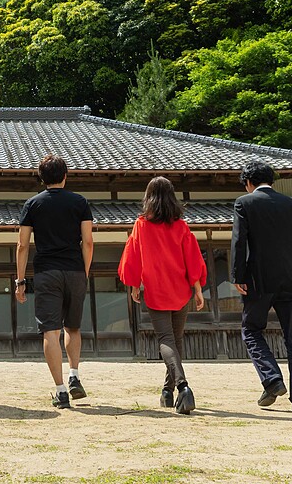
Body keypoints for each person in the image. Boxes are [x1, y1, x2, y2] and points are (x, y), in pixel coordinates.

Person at [118, 176, 207, 415]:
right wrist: (198, 289)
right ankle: (167, 392)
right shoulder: (181, 226)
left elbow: (132, 256)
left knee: (167, 340)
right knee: (175, 341)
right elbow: (193, 259)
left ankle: (183, 387)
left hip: (156, 290)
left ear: (148, 198)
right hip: (181, 290)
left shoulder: (141, 225)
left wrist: (134, 285)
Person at [233, 161, 292, 413]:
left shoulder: (244, 203)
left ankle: (272, 379)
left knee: (251, 329)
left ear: (248, 182)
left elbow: (239, 242)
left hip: (259, 279)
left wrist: (238, 276)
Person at [15, 153, 95, 409]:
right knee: (73, 327)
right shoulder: (80, 202)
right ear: (65, 175)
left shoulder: (33, 204)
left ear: (42, 178)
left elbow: (22, 245)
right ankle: (74, 375)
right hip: (74, 270)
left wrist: (20, 280)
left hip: (47, 272)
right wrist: (84, 271)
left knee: (50, 331)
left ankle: (61, 391)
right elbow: (89, 241)